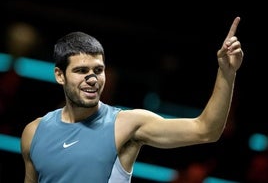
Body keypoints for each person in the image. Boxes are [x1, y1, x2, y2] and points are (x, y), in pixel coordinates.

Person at [20, 16, 243, 183]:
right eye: (81, 70)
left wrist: (226, 72)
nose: (92, 79)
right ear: (60, 75)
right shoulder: (33, 132)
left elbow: (206, 130)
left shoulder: (127, 123)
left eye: (98, 70)